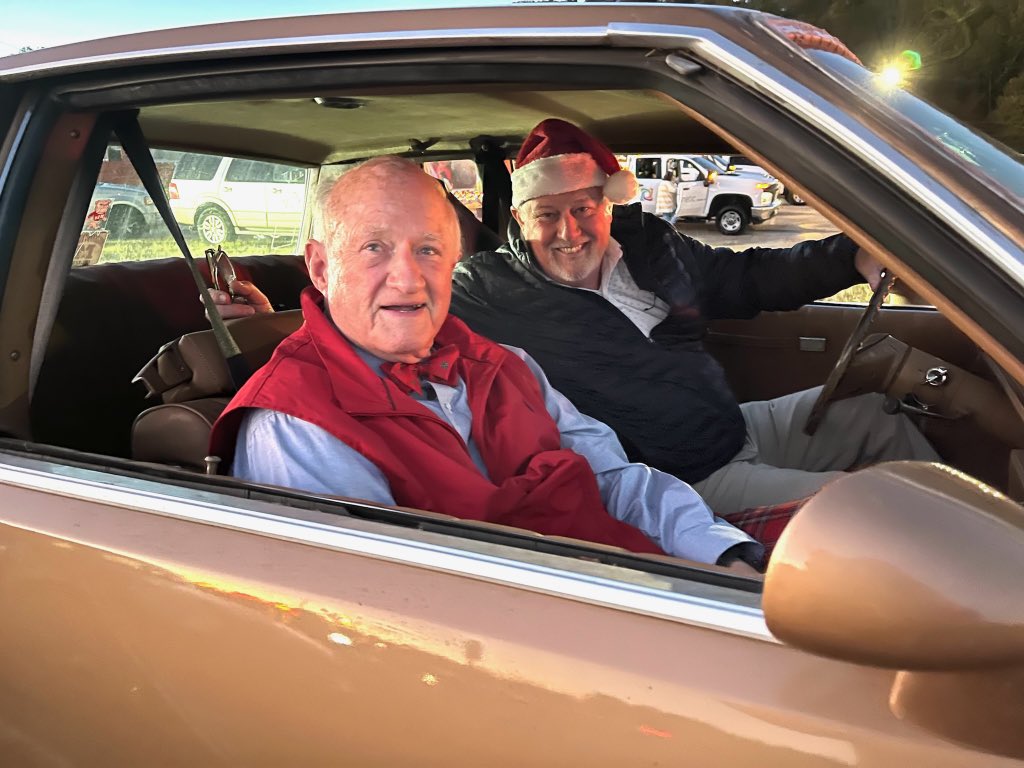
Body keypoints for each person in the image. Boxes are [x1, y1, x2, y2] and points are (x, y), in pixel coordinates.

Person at [214, 119, 938, 516]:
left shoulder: (655, 248)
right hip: (684, 474)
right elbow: (387, 311)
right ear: (520, 219)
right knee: (870, 515)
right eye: (545, 215)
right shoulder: (485, 288)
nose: (566, 232)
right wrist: (268, 320)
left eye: (583, 209)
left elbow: (752, 276)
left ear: (610, 204)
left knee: (882, 416)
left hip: (735, 426)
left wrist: (852, 257)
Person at [208, 156, 766, 574]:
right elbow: (383, 614)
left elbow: (613, 479)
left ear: (454, 263)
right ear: (323, 268)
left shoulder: (505, 363)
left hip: (635, 581)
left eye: (428, 250)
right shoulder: (297, 424)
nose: (407, 278)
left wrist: (722, 556)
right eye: (374, 248)